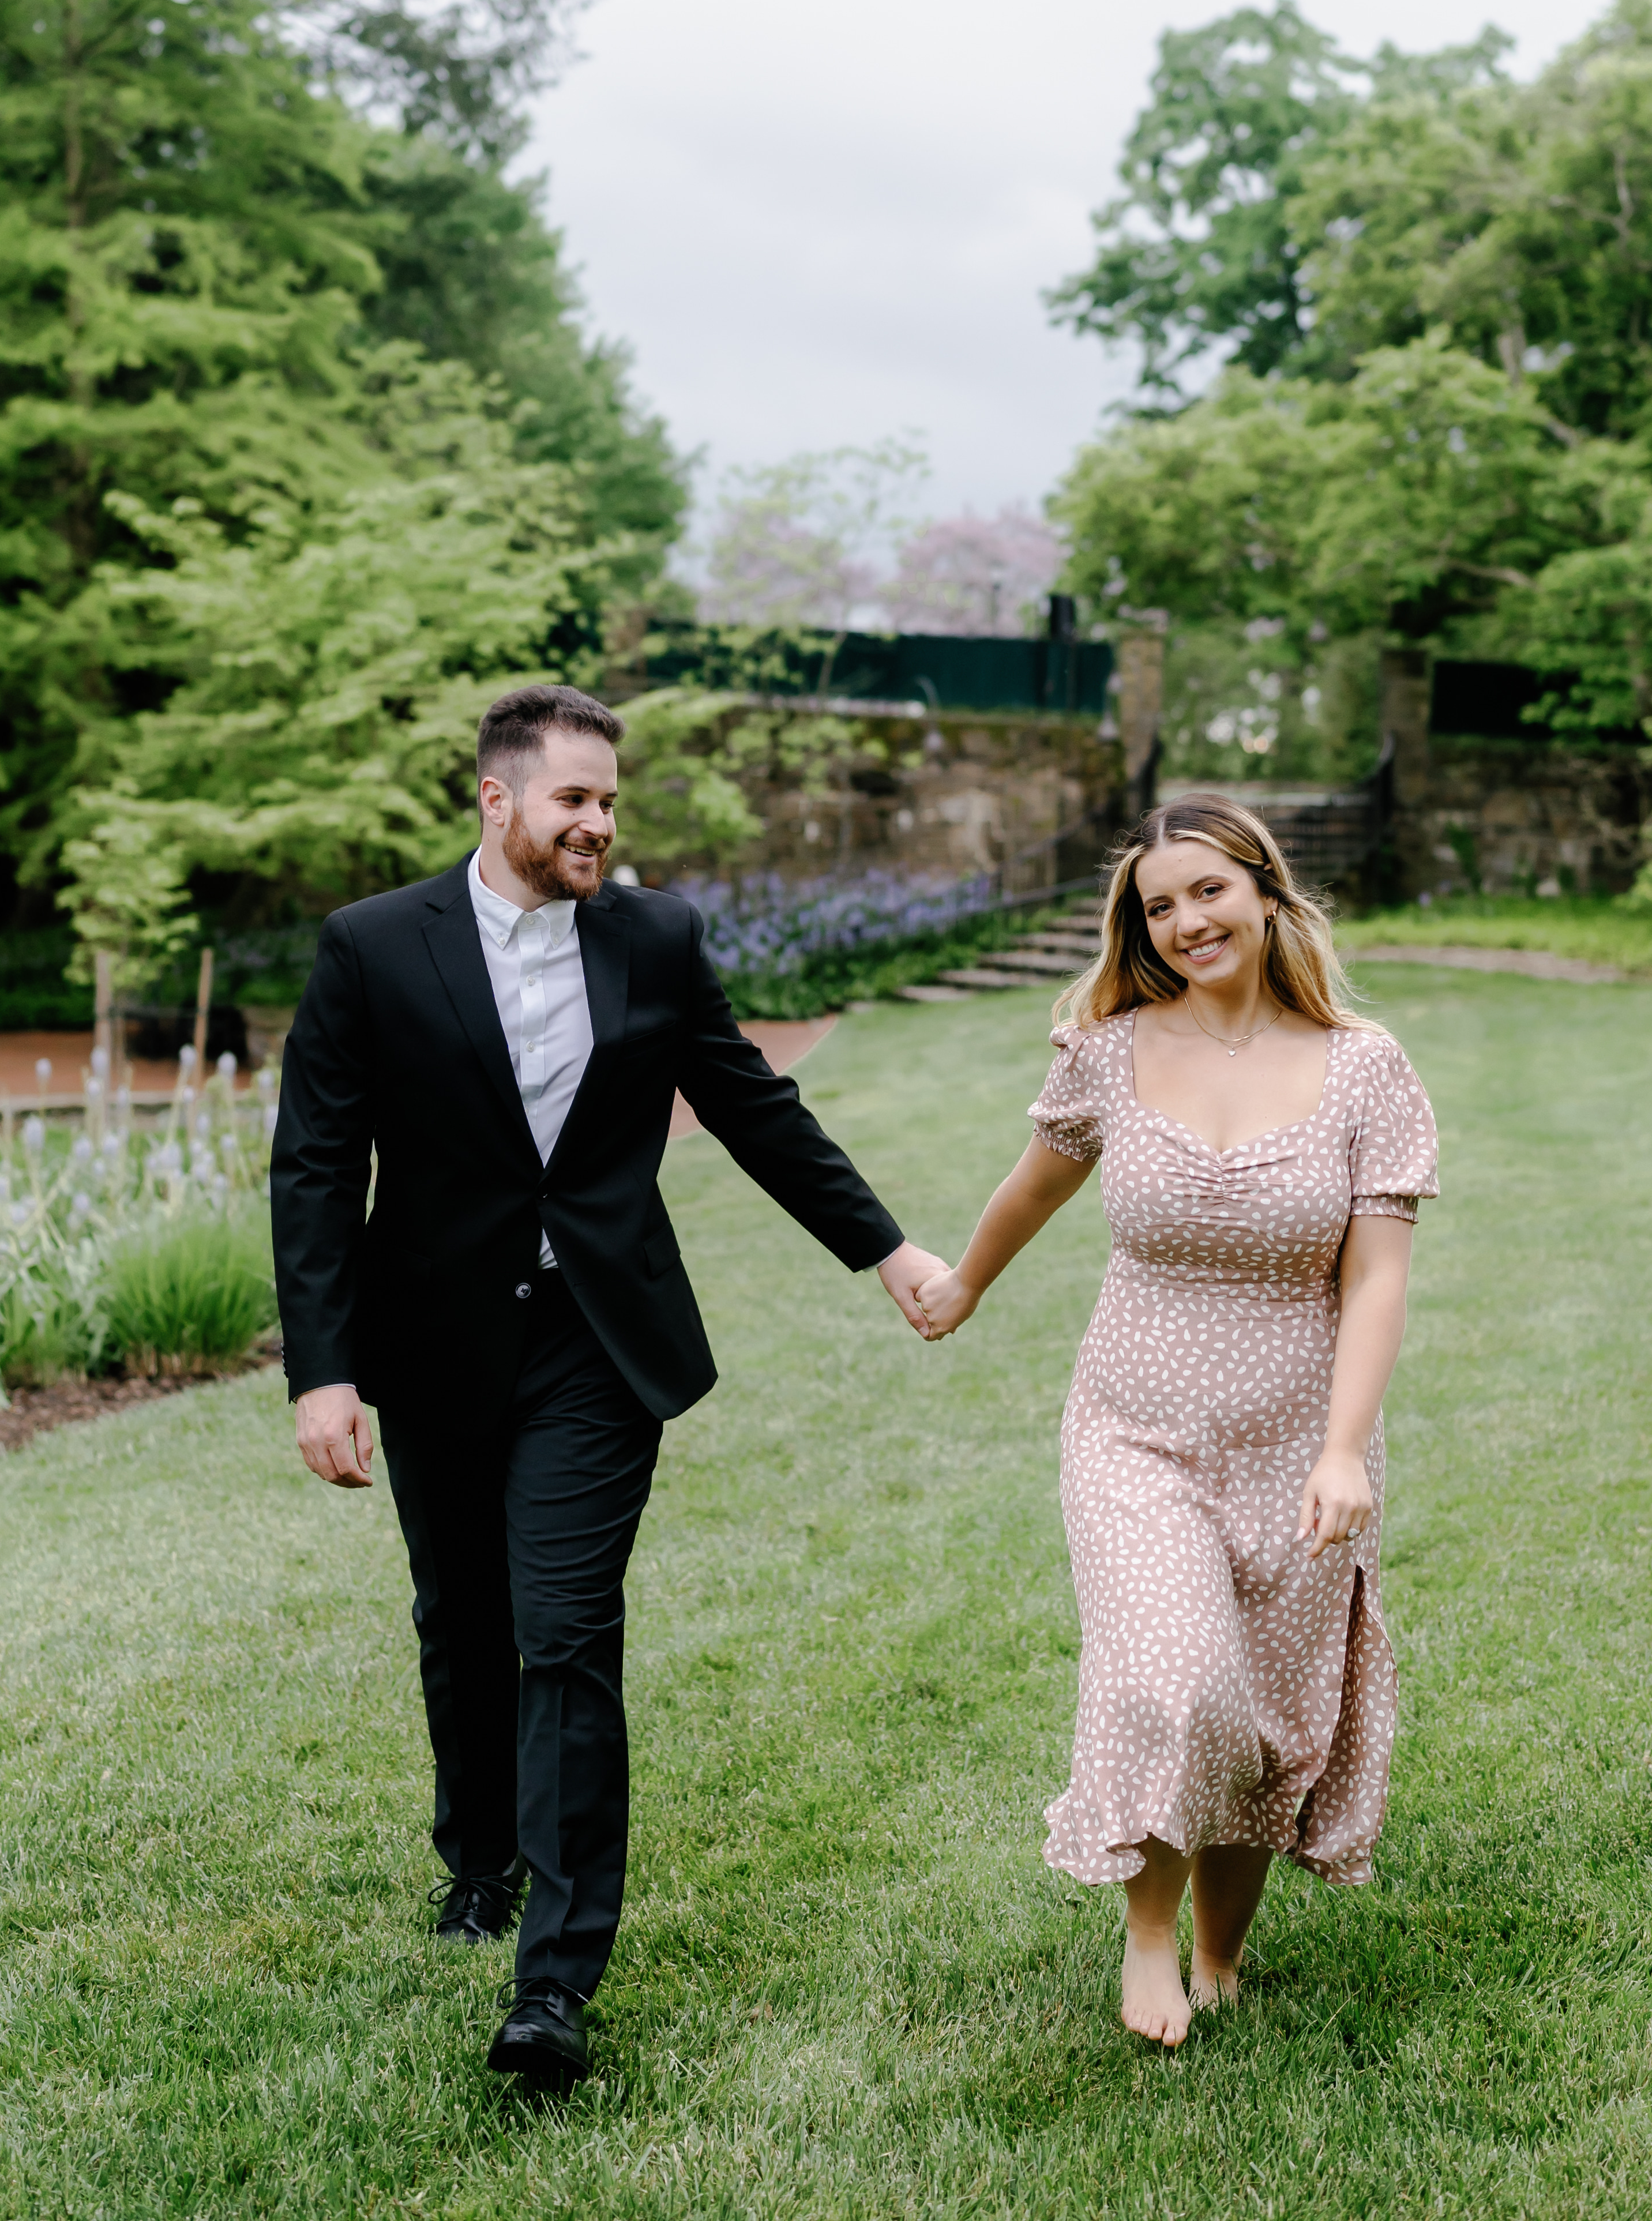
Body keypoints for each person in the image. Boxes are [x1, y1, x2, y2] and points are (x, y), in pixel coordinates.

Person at [270, 683, 950, 2094]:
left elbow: (753, 1105)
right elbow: (319, 1167)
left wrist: (882, 1249)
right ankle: (478, 1862)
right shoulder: (372, 948)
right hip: (439, 1341)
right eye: (572, 798)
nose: (597, 823)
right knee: (464, 1619)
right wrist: (323, 1369)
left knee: (566, 1633)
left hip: (597, 1341)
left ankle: (555, 1985)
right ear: (496, 801)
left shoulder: (654, 937)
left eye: (609, 802)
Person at [915, 794, 1437, 2049]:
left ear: (1262, 891)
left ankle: (1218, 1954)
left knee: (1260, 1711)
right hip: (1130, 1428)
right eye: (1160, 904)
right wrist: (964, 1282)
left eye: (1207, 891)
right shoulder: (1109, 1047)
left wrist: (1338, 1449)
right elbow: (1035, 1181)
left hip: (1296, 1441)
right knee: (1175, 1675)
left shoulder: (1364, 1066)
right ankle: (1147, 1938)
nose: (1186, 919)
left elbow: (1374, 1276)